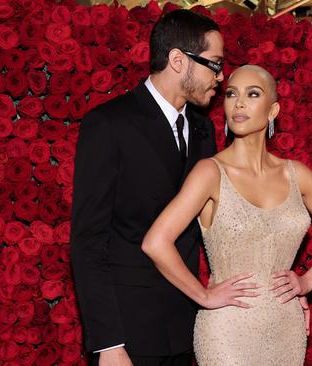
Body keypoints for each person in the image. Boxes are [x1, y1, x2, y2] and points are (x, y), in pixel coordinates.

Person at [142, 65, 312, 365]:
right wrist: (203, 296)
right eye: (231, 94)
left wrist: (308, 282)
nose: (238, 103)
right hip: (227, 329)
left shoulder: (297, 175)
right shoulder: (210, 173)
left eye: (253, 94)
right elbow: (156, 242)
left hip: (285, 327)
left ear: (273, 110)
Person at [70, 9, 225, 366]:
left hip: (187, 328)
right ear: (177, 60)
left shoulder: (204, 130)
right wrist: (108, 343)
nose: (219, 77)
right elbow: (88, 240)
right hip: (128, 334)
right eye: (214, 64)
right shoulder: (108, 123)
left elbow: (209, 229)